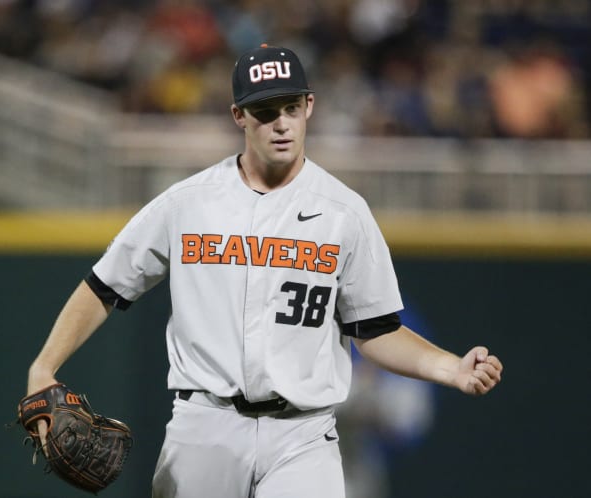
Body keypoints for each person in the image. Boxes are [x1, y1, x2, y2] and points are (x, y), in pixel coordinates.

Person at [26, 44, 503, 498]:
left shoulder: (344, 213)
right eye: (266, 112)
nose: (281, 124)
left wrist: (450, 368)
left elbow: (375, 330)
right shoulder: (187, 203)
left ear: (309, 106)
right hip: (204, 427)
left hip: (303, 433)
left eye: (291, 108)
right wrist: (44, 366)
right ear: (239, 116)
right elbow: (104, 286)